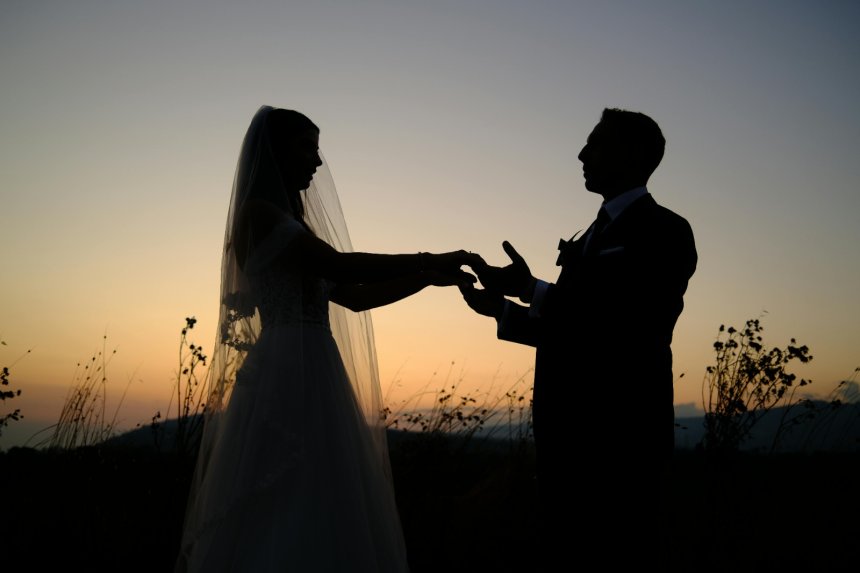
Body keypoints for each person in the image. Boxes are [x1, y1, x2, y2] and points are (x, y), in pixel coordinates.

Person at [176, 106, 480, 572]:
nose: (317, 161)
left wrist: (428, 278)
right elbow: (340, 265)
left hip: (318, 367)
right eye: (307, 148)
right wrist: (429, 258)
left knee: (324, 491)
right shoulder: (259, 216)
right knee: (282, 492)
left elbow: (354, 297)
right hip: (285, 369)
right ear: (276, 152)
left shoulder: (291, 226)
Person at [460, 108, 697, 568]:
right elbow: (574, 334)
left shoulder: (666, 230)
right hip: (564, 436)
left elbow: (626, 327)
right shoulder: (592, 232)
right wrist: (502, 309)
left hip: (620, 441)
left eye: (596, 143)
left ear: (632, 155)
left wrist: (531, 289)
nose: (582, 154)